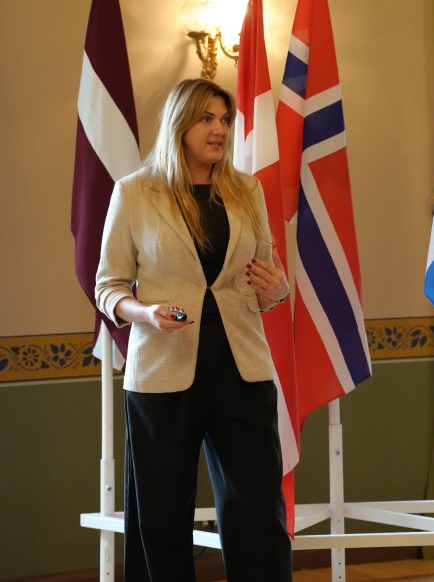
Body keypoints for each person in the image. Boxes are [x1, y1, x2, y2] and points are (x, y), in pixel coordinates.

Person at [95, 78, 292, 581]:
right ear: (179, 125)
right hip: (163, 374)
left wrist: (277, 288)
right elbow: (108, 287)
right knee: (159, 516)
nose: (219, 129)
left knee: (258, 513)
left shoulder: (248, 190)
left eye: (224, 119)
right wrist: (146, 313)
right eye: (206, 119)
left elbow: (266, 281)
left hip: (243, 371)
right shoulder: (134, 193)